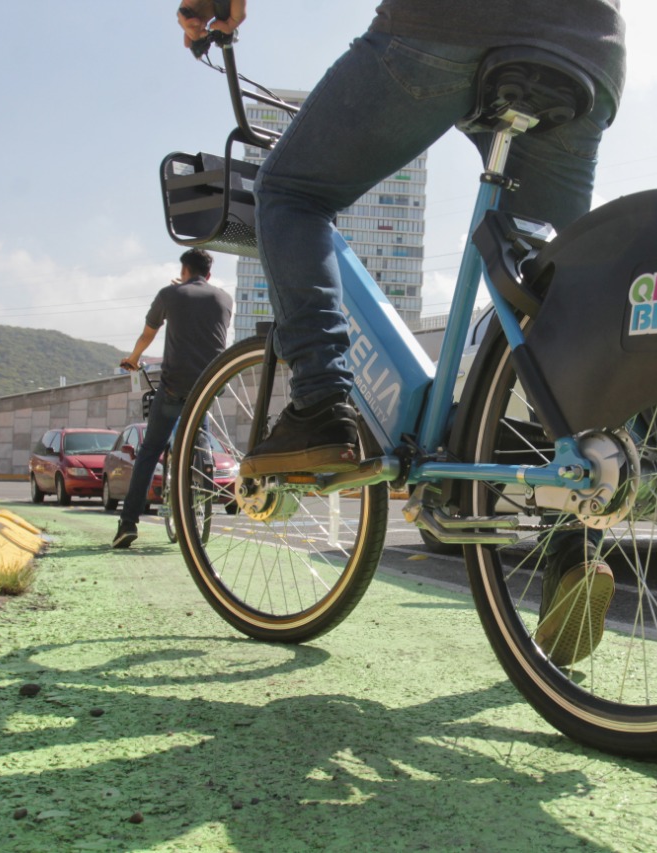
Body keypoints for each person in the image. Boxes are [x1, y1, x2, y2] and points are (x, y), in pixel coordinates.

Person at [176, 2, 624, 661]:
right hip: (591, 45)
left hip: (454, 24)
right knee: (541, 296)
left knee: (290, 191)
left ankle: (322, 406)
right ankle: (576, 543)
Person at [113, 247, 233, 548]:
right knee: (198, 428)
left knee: (150, 451)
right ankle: (200, 468)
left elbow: (148, 335)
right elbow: (206, 333)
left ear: (184, 271)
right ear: (208, 274)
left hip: (174, 386)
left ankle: (128, 523)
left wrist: (133, 358)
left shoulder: (169, 294)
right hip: (209, 384)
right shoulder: (224, 298)